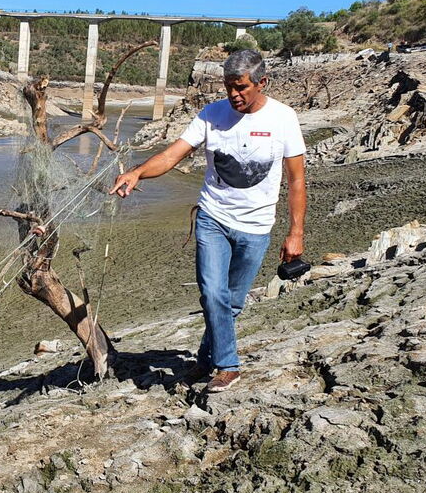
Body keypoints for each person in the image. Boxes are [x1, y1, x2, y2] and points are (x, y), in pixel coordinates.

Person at [110, 49, 307, 393]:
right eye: (229, 86)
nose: (234, 94)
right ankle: (228, 366)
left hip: (256, 227)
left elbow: (297, 181)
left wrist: (296, 233)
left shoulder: (283, 118)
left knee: (231, 303)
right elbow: (172, 155)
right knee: (213, 293)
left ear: (262, 82)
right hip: (212, 218)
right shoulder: (211, 114)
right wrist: (138, 172)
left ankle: (204, 359)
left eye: (241, 87)